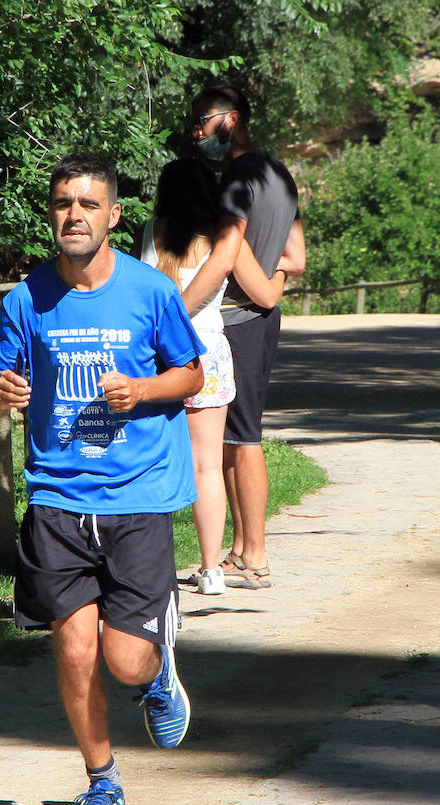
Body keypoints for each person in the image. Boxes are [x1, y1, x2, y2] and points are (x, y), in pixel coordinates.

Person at [0, 152, 202, 805]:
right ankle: (102, 783)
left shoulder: (150, 291)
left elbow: (191, 374)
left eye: (87, 203)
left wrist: (143, 390)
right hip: (56, 498)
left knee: (123, 658)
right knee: (74, 649)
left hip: (135, 496)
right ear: (52, 213)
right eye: (62, 203)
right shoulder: (27, 298)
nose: (73, 215)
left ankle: (157, 667)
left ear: (113, 214)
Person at [135, 158, 288, 596]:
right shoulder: (227, 239)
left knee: (155, 459)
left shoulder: (150, 232)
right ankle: (211, 568)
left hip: (158, 356)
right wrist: (280, 274)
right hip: (208, 356)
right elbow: (263, 294)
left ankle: (150, 563)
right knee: (207, 466)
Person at [179, 83, 305, 590]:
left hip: (241, 319)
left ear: (230, 121)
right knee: (232, 440)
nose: (195, 132)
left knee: (245, 439)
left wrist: (176, 311)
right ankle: (238, 551)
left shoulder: (233, 180)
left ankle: (256, 555)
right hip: (258, 319)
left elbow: (228, 253)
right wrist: (272, 282)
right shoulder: (279, 173)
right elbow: (296, 259)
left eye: (202, 121)